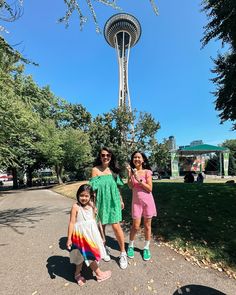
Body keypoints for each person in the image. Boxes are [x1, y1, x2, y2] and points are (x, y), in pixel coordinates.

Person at [89, 147, 128, 269]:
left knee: (116, 226)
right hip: (101, 202)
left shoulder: (114, 171)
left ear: (111, 157)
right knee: (102, 226)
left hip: (113, 201)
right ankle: (103, 247)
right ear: (100, 157)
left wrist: (121, 199)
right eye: (103, 155)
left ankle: (123, 253)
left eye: (108, 155)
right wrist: (93, 205)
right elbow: (93, 190)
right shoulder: (95, 170)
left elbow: (117, 187)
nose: (105, 157)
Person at [66, 184, 111, 286]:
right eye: (81, 195)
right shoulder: (76, 207)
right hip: (80, 236)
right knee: (84, 255)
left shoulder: (92, 207)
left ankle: (77, 274)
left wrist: (102, 236)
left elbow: (95, 222)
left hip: (91, 235)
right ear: (78, 195)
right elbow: (72, 223)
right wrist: (69, 238)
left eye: (86, 196)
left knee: (83, 255)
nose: (84, 198)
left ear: (91, 196)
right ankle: (99, 274)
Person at [127, 151, 157, 261]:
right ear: (132, 160)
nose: (137, 159)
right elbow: (130, 186)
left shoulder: (147, 172)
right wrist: (130, 175)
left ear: (143, 160)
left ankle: (146, 247)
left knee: (147, 226)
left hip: (148, 202)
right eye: (135, 157)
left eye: (139, 157)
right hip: (136, 203)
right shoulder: (131, 172)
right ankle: (130, 245)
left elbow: (149, 188)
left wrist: (137, 178)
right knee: (135, 226)